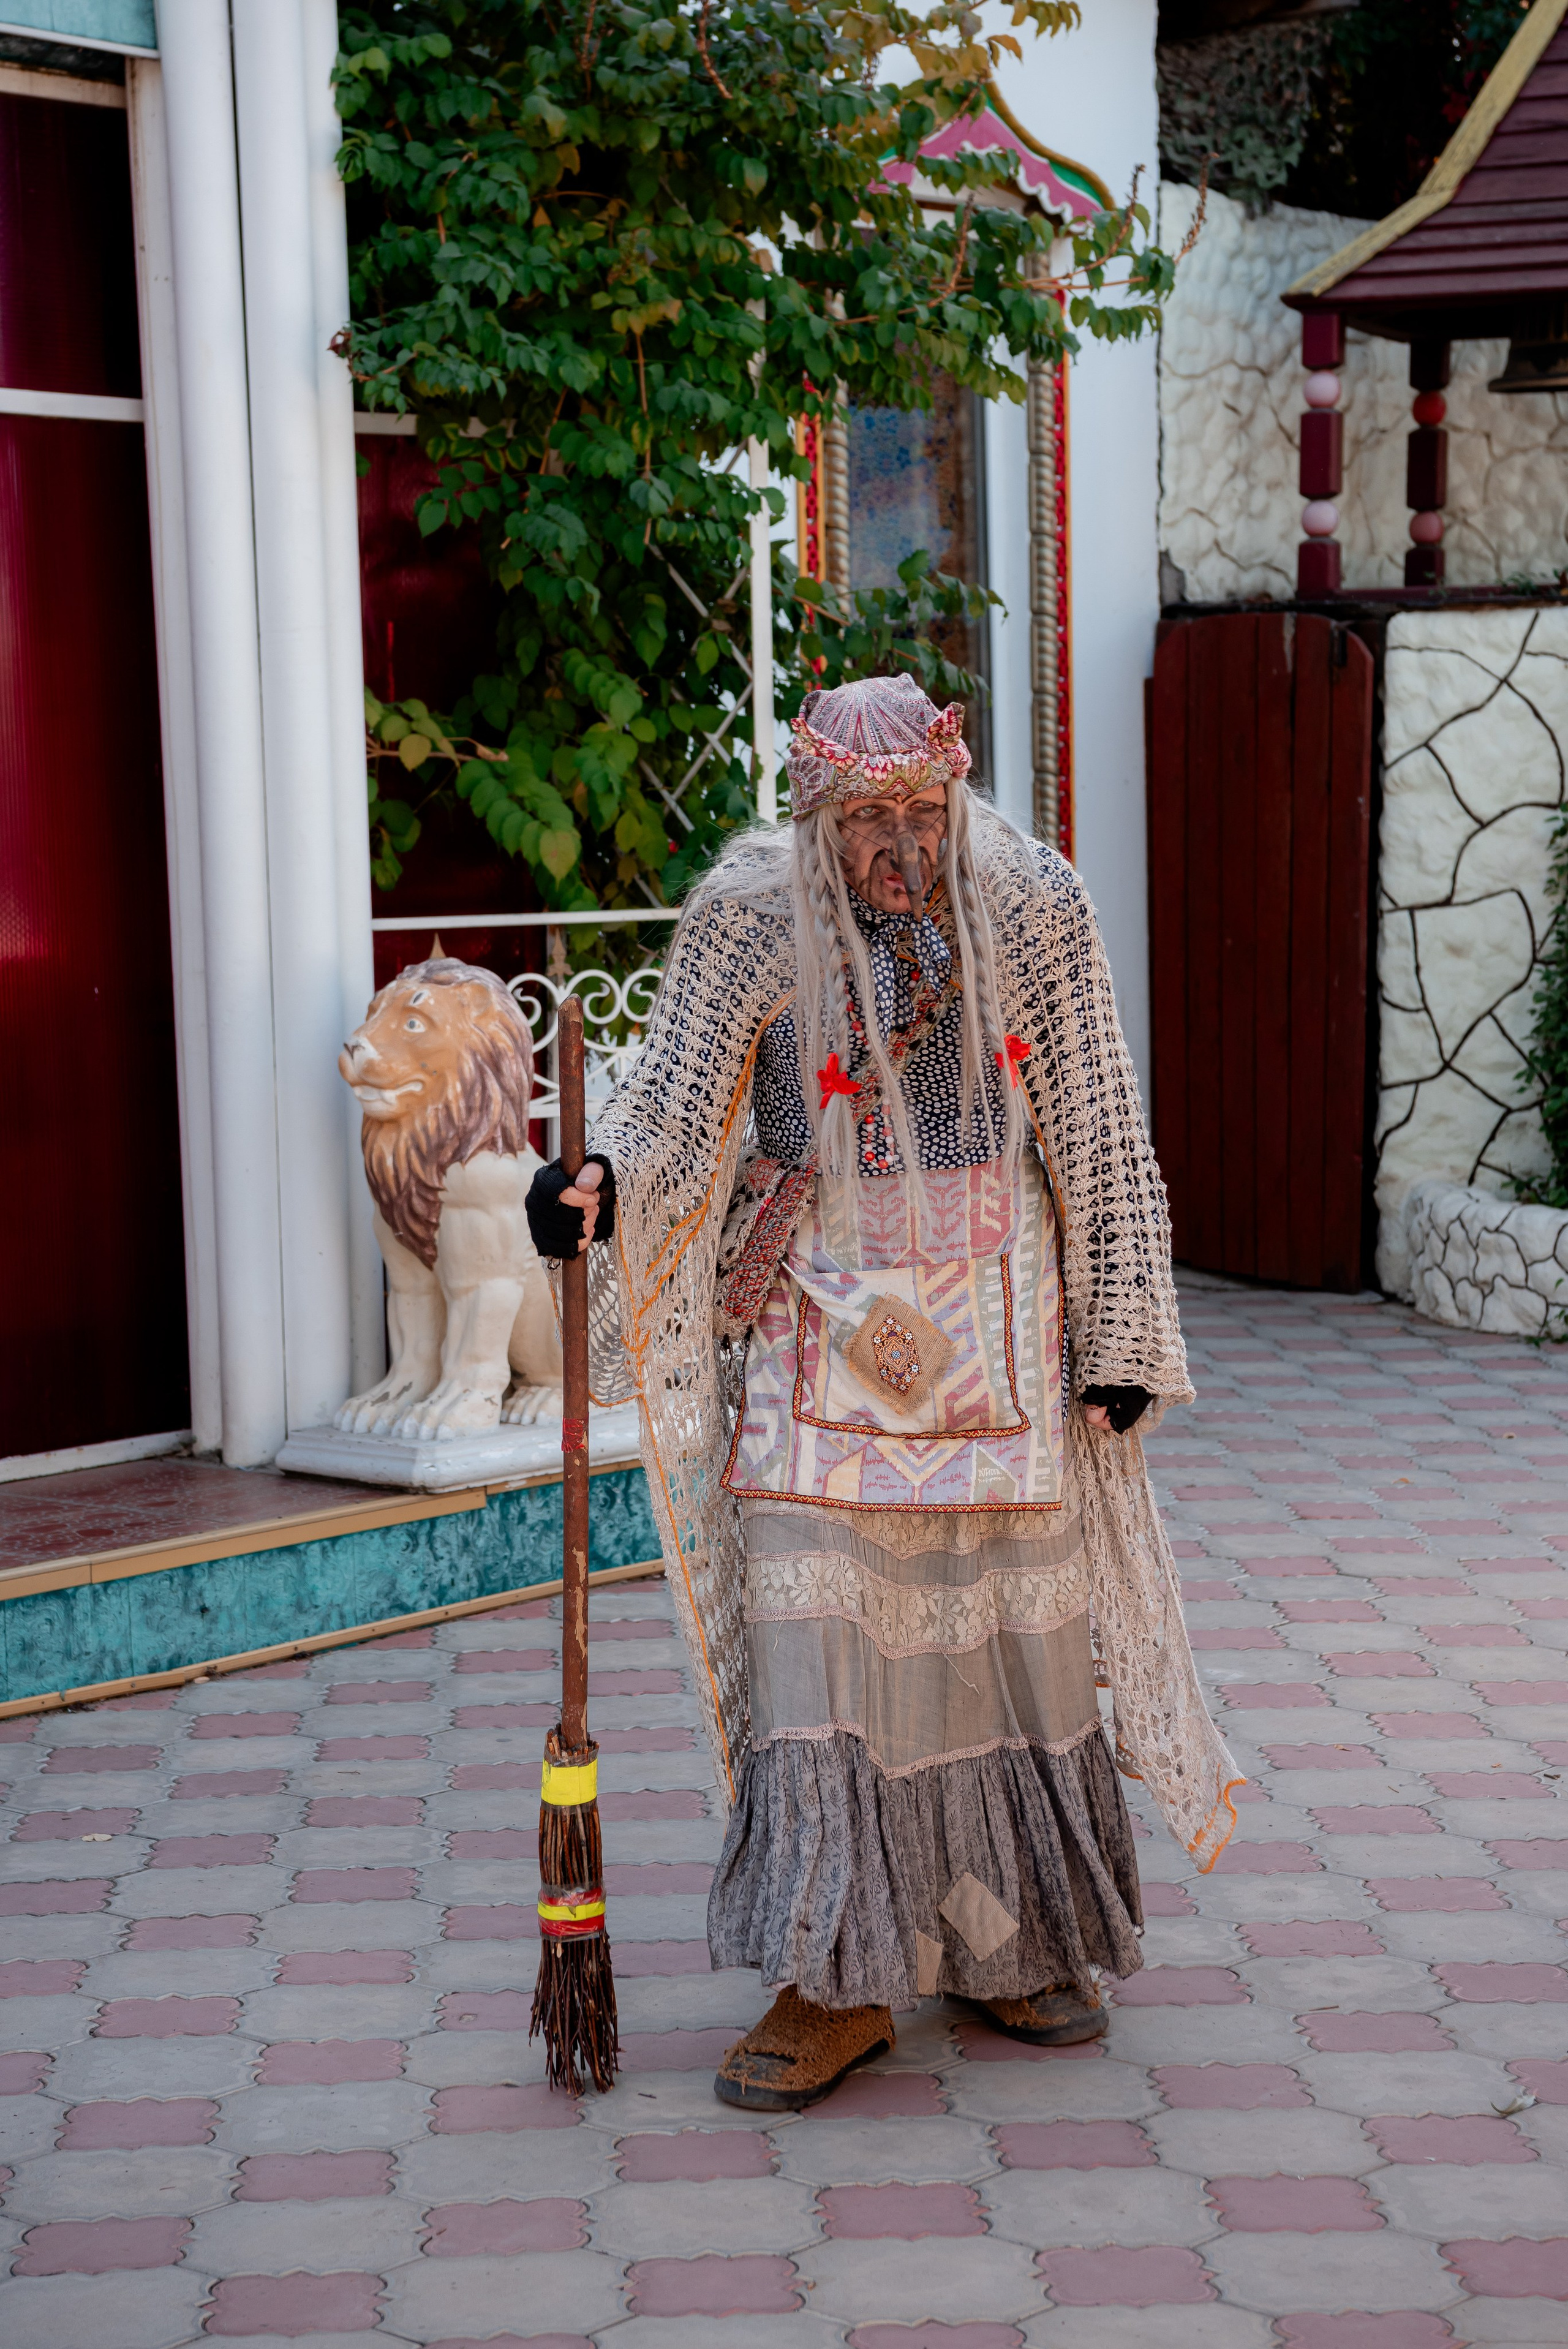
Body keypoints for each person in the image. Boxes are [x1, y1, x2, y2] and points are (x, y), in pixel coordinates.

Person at [526, 672, 1240, 2112]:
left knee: (1008, 1646)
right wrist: (596, 1182)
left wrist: (1117, 1334)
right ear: (815, 811)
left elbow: (1100, 1118)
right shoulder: (745, 915)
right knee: (820, 1655)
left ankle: (1009, 1940)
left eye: (924, 811)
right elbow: (671, 1104)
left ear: (956, 790)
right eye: (870, 821)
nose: (902, 845)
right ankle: (830, 1982)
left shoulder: (1033, 904)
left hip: (1002, 1323)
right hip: (817, 1323)